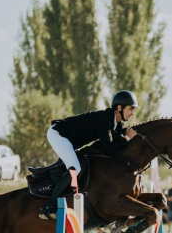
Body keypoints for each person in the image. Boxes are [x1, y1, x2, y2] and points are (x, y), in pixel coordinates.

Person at [38, 90, 139, 220]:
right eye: (131, 108)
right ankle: (49, 205)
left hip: (71, 141)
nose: (132, 113)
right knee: (76, 167)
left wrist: (124, 139)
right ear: (119, 107)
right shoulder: (104, 119)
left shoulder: (117, 124)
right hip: (58, 134)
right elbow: (109, 148)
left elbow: (115, 146)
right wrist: (126, 138)